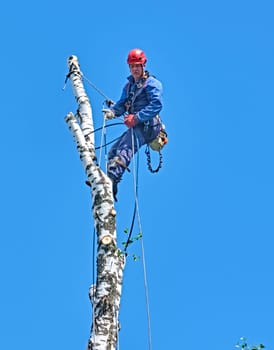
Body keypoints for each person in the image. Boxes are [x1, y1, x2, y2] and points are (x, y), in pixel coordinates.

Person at [103, 48, 164, 201]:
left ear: (143, 65)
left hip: (148, 127)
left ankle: (111, 179)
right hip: (137, 125)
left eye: (138, 65)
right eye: (132, 66)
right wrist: (113, 112)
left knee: (125, 147)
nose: (135, 69)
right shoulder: (129, 87)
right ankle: (109, 183)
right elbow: (122, 104)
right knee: (113, 152)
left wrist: (136, 118)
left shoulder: (152, 84)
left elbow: (156, 105)